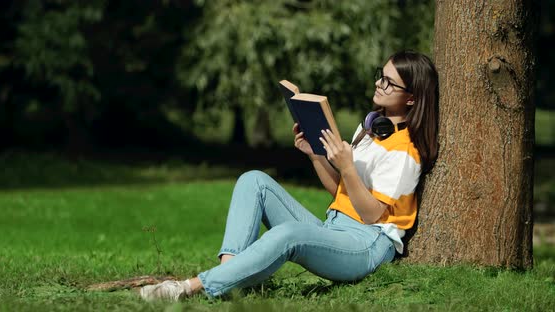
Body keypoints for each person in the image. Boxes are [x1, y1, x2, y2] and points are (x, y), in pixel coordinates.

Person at [140, 50, 439, 301]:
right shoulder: (370, 129)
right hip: (336, 226)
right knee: (253, 180)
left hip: (366, 245)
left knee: (289, 234)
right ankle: (231, 278)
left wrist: (347, 166)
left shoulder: (404, 153)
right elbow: (341, 193)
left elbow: (373, 215)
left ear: (411, 99)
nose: (378, 83)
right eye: (380, 75)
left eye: (388, 83)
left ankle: (189, 288)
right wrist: (316, 156)